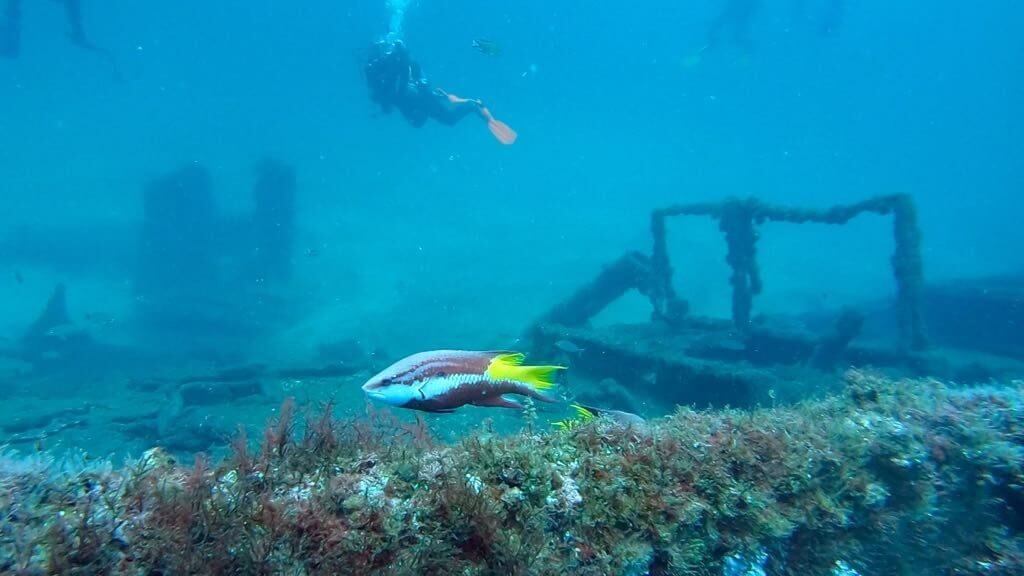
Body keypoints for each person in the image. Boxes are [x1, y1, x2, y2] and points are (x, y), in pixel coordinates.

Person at [364, 39, 517, 144]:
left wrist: (402, 54)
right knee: (447, 119)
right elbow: (389, 100)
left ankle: (476, 108)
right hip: (414, 93)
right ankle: (474, 107)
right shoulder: (417, 105)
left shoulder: (404, 94)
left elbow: (404, 80)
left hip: (414, 92)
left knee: (445, 117)